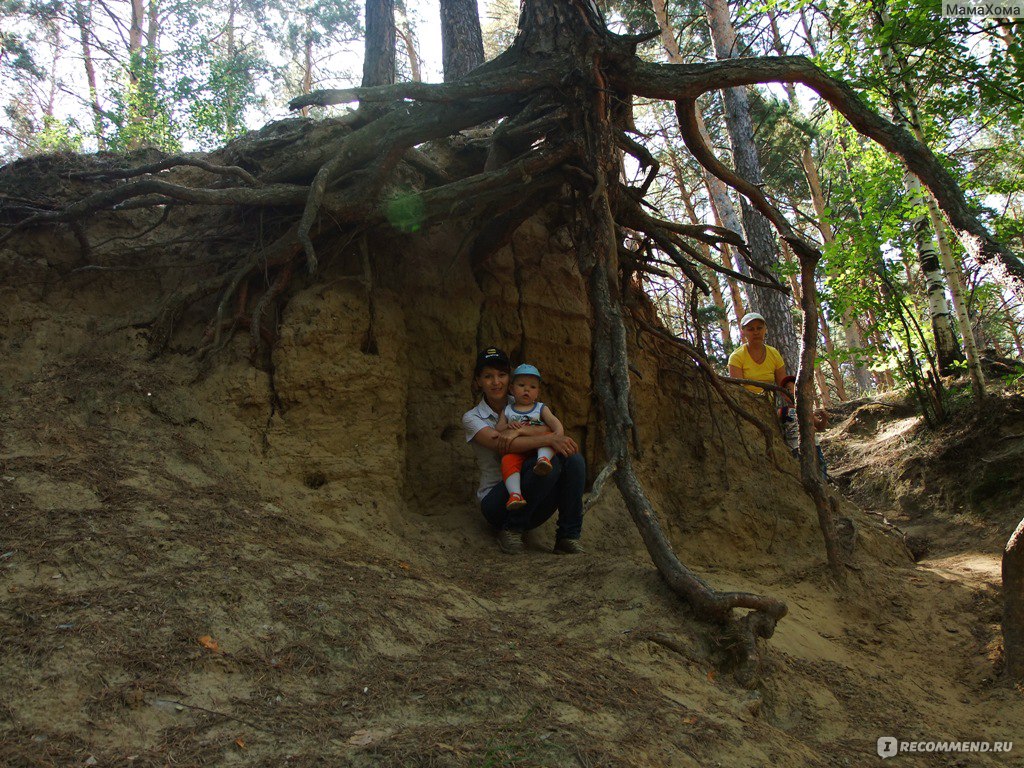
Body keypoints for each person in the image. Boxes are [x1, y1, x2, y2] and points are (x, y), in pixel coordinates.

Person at [462, 347, 586, 555]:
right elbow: (502, 445)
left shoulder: (524, 400)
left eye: (502, 375)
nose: (496, 382)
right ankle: (511, 529)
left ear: (510, 380)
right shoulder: (472, 418)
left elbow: (550, 427)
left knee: (573, 459)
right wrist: (545, 438)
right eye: (488, 376)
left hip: (533, 499)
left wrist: (519, 432)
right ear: (478, 381)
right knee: (548, 463)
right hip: (497, 503)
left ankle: (568, 536)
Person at [496, 363, 562, 511]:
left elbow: (554, 423)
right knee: (507, 460)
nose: (527, 389)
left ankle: (543, 460)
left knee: (548, 437)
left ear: (537, 392)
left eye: (532, 387)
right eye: (521, 385)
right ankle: (515, 495)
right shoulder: (507, 410)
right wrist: (508, 426)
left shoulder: (540, 408)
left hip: (538, 448)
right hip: (519, 450)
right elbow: (499, 428)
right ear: (512, 389)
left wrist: (558, 435)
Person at [778, 374, 830, 480]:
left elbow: (820, 427)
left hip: (813, 445)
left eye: (795, 388)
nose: (792, 392)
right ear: (783, 394)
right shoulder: (782, 411)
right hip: (794, 448)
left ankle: (823, 488)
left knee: (820, 468)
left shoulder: (807, 409)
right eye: (788, 389)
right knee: (801, 472)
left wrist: (824, 418)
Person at [728, 312, 788, 395]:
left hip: (769, 404)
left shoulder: (774, 353)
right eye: (751, 329)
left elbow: (784, 386)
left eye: (759, 328)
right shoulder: (736, 357)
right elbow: (738, 392)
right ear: (743, 332)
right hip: (745, 405)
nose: (756, 332)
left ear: (765, 329)